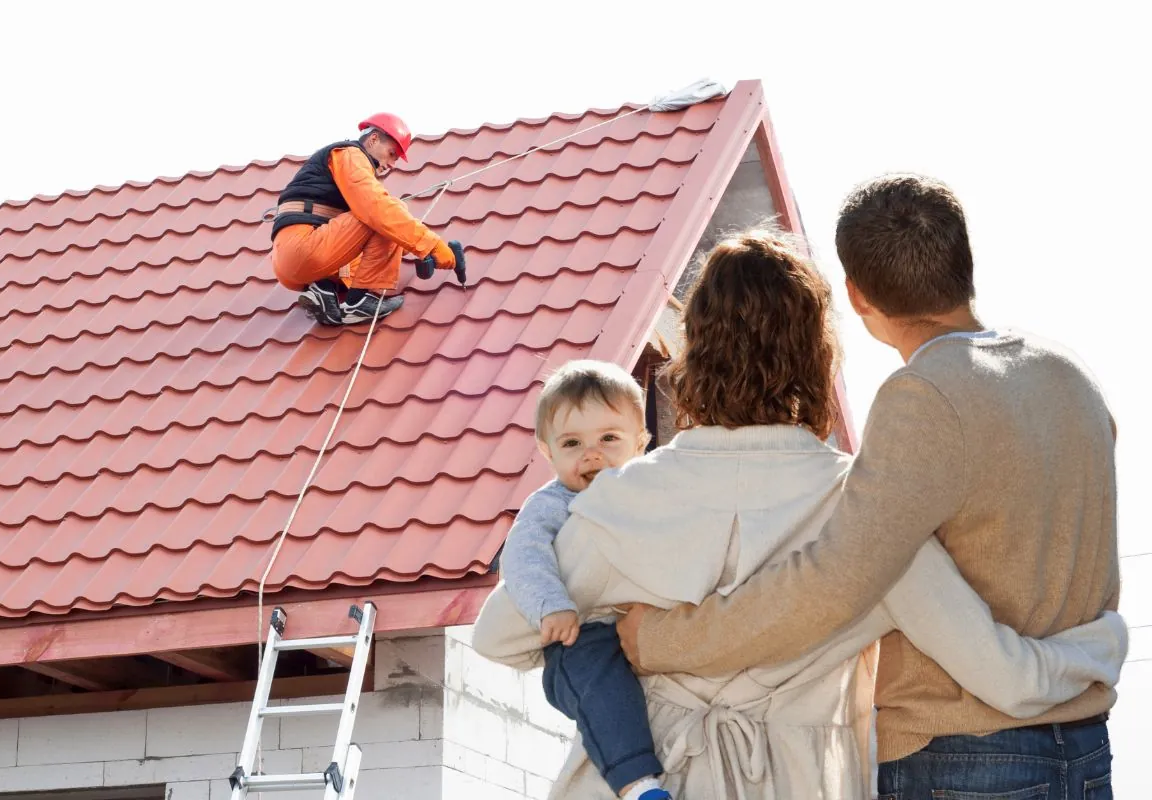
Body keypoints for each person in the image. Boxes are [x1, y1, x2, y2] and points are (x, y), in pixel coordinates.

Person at [472, 228, 1127, 799]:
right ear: (819, 356)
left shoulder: (617, 503)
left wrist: (614, 642)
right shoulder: (866, 509)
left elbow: (500, 636)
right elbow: (1007, 679)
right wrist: (1101, 645)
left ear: (695, 350)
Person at [498, 359, 669, 800]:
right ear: (547, 452)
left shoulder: (653, 493)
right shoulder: (550, 505)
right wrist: (551, 604)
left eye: (609, 439)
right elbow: (522, 556)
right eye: (572, 443)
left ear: (641, 443)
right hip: (583, 636)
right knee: (602, 692)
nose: (592, 454)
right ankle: (638, 786)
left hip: (650, 625)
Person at [269, 112, 458, 325]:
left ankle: (324, 291)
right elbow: (378, 211)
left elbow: (383, 241)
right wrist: (432, 246)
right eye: (392, 153)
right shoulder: (350, 154)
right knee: (389, 210)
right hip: (305, 248)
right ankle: (360, 301)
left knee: (387, 222)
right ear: (374, 138)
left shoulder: (343, 169)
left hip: (292, 261)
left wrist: (419, 253)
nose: (392, 163)